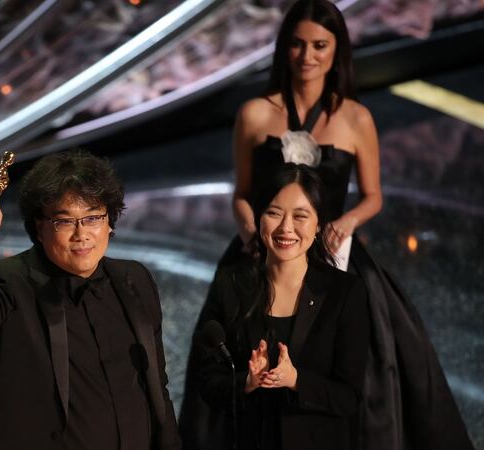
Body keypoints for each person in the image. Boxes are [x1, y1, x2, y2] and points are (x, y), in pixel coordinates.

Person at [178, 1, 473, 449]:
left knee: (362, 367)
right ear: (283, 48)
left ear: (338, 51)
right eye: (297, 44)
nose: (307, 56)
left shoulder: (356, 118)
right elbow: (241, 192)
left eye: (320, 45)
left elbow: (374, 196)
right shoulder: (255, 114)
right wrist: (248, 229)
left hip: (333, 253)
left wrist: (345, 222)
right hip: (263, 251)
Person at [0, 150, 181, 450]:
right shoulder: (11, 281)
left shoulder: (135, 279)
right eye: (65, 222)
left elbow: (156, 383)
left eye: (92, 218)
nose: (82, 235)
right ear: (39, 227)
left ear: (110, 222)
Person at [197, 163, 369, 450]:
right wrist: (247, 382)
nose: (286, 228)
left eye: (301, 216)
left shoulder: (345, 293)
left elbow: (349, 397)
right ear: (259, 217)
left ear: (318, 224)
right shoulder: (231, 284)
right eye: (274, 213)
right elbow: (208, 382)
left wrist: (296, 380)